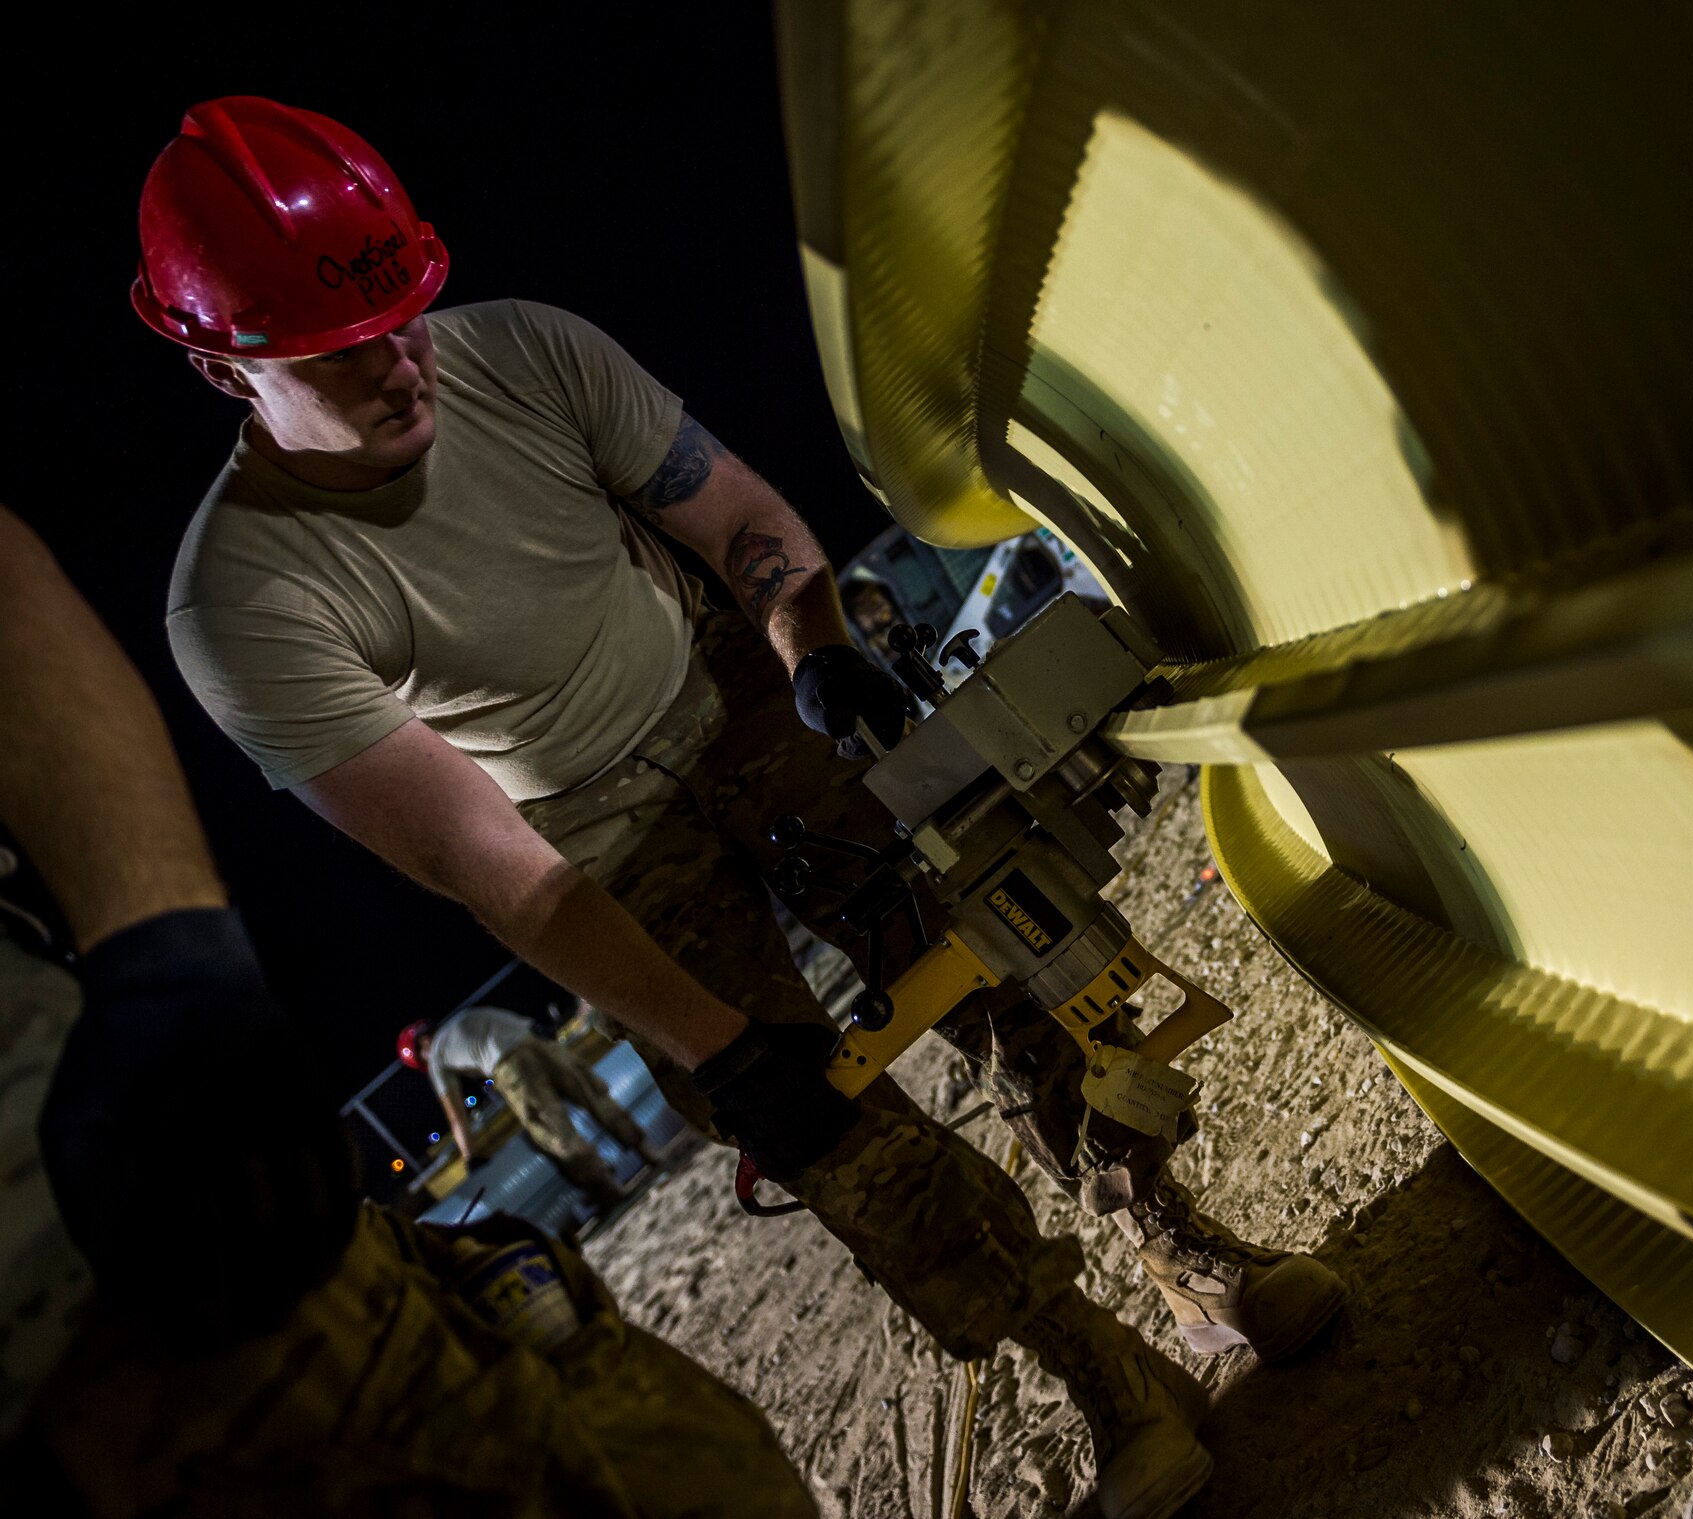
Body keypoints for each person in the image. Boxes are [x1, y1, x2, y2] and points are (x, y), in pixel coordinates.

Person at [146, 96, 1342, 1516]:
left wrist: (813, 642)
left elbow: (738, 524)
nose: (407, 362)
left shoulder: (521, 349)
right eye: (346, 350)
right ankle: (1105, 1373)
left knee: (999, 951)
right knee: (830, 1132)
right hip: (583, 837)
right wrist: (714, 1044)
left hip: (734, 690)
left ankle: (1193, 1257)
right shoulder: (244, 604)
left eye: (408, 306)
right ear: (229, 369)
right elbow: (491, 861)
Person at [0, 504, 816, 1515]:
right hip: (140, 1242)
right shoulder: (449, 1037)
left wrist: (172, 964)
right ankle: (623, 1162)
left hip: (106, 1263)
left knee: (638, 1469)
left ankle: (614, 1165)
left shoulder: (437, 1053)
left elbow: (472, 1100)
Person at [401, 1003, 670, 1210]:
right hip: (536, 1041)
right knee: (593, 1096)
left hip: (510, 1066)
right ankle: (648, 1152)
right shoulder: (466, 1016)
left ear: (423, 1046)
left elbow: (456, 1115)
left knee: (553, 1130)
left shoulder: (436, 1058)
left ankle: (610, 1189)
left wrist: (470, 1157)